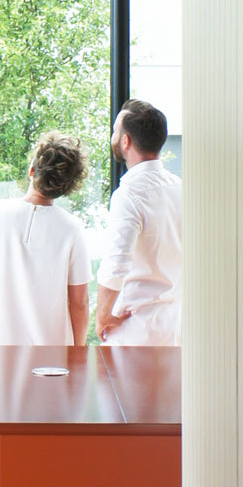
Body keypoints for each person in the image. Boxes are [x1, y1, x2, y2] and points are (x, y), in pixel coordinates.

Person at [0, 133, 92, 346]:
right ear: (67, 187)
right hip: (51, 354)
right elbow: (80, 302)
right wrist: (78, 353)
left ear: (32, 170)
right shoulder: (72, 229)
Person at [96, 98, 182, 346]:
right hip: (173, 327)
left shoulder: (129, 194)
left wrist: (102, 315)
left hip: (134, 330)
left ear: (126, 141)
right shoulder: (180, 188)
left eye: (115, 131)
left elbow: (116, 263)